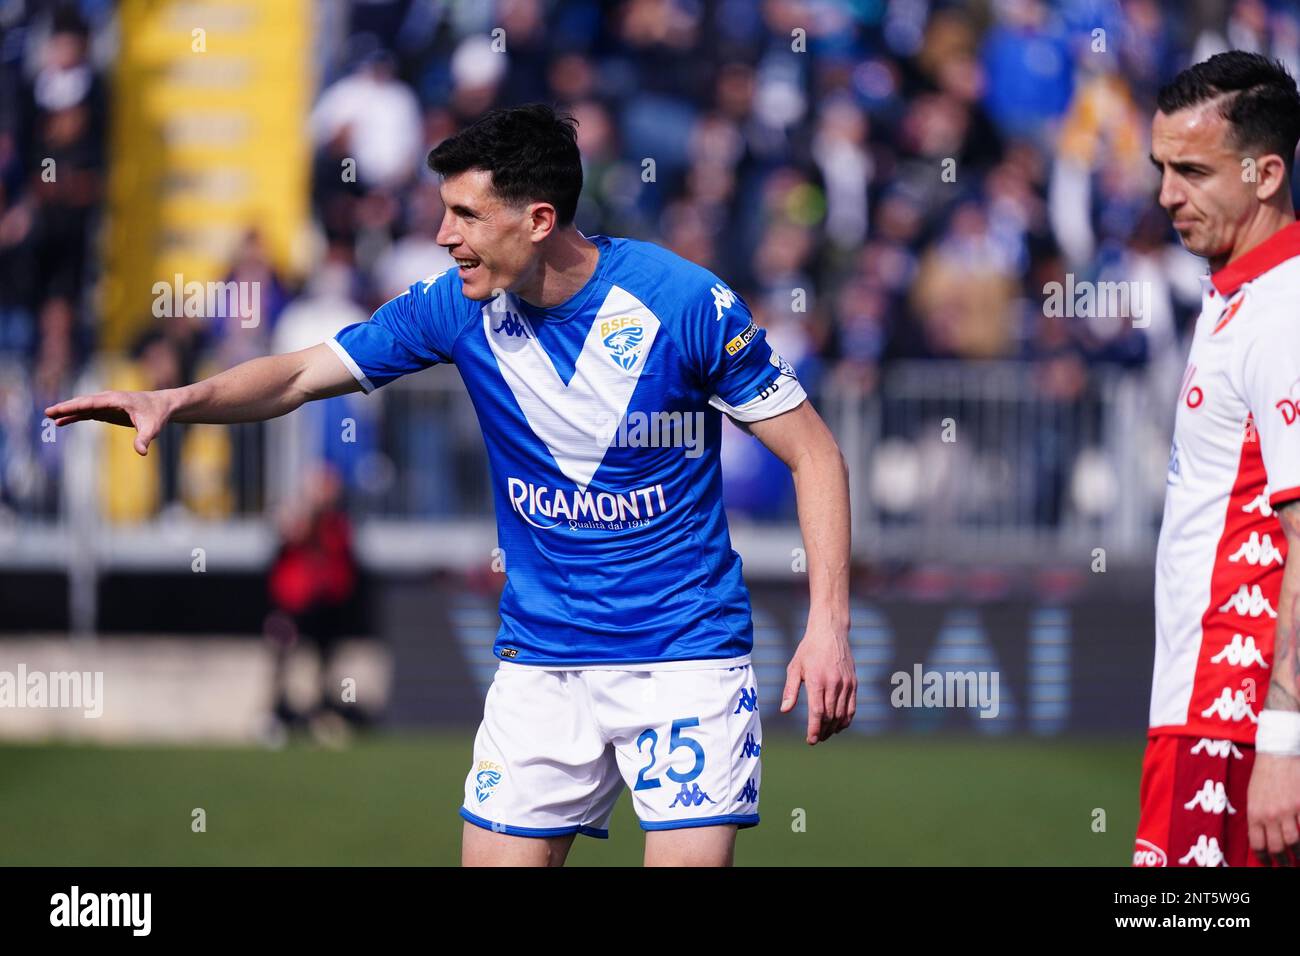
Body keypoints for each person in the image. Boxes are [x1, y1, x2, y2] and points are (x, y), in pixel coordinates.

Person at [46, 104, 856, 867]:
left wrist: (827, 628)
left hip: (681, 656)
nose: (442, 236)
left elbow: (815, 455)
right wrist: (175, 400)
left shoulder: (684, 305)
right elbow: (298, 376)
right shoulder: (456, 308)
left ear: (538, 219)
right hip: (540, 664)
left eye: (465, 217)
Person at [1138, 51, 1300, 867]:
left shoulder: (1283, 315)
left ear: (1265, 173)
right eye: (1163, 168)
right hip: (1204, 710)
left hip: (1233, 722)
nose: (1168, 194)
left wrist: (1282, 737)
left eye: (1193, 170)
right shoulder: (1237, 291)